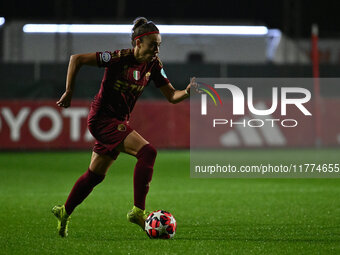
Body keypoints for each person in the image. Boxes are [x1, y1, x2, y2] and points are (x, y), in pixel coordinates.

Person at [52, 17, 192, 237]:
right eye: (153, 44)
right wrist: (69, 91)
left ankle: (64, 211)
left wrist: (187, 91)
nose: (157, 49)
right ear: (138, 43)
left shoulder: (154, 66)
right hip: (102, 120)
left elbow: (172, 95)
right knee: (148, 152)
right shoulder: (118, 58)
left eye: (159, 45)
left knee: (95, 176)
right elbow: (76, 59)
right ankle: (138, 211)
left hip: (119, 122)